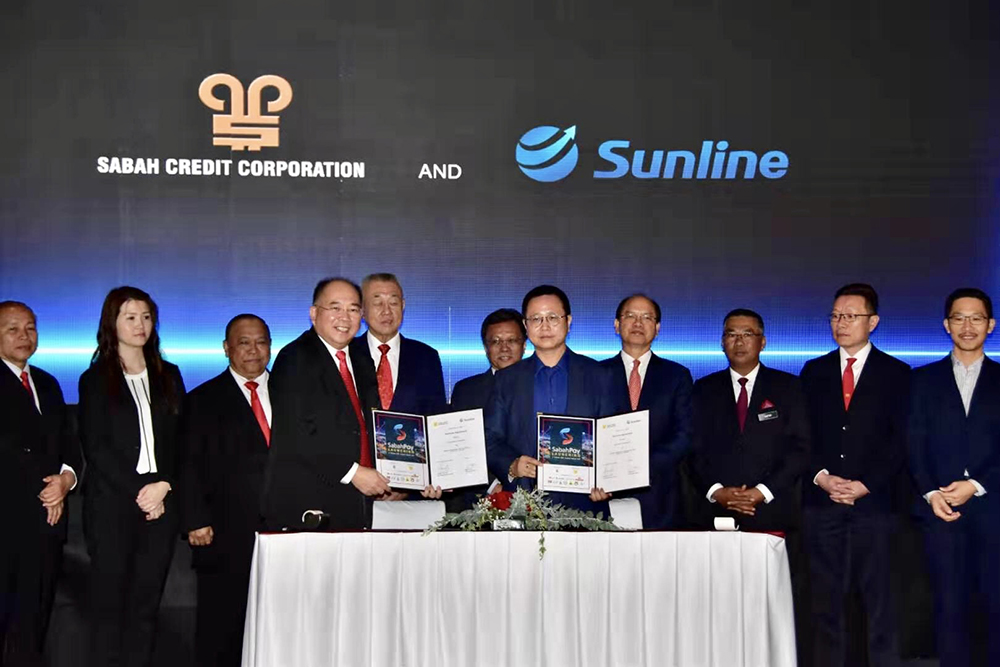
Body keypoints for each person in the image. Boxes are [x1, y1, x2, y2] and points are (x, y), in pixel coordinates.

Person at [260, 278, 439, 531]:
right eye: (335, 308)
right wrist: (354, 472)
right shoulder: (295, 358)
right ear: (314, 313)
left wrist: (413, 476)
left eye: (353, 309)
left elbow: (375, 426)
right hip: (309, 505)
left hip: (354, 505)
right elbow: (297, 433)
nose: (345, 317)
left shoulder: (359, 358)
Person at [689, 308, 811, 664]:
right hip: (716, 516)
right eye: (731, 334)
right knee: (718, 608)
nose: (739, 341)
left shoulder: (789, 387)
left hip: (773, 514)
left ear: (763, 341)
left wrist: (761, 492)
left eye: (747, 334)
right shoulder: (703, 389)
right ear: (721, 342)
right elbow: (692, 452)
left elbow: (801, 449)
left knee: (771, 610)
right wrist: (717, 491)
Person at [800, 284, 909, 667]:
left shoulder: (897, 373)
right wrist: (821, 477)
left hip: (875, 507)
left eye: (850, 316)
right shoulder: (813, 372)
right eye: (835, 316)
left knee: (880, 606)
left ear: (872, 321)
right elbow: (801, 434)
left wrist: (866, 484)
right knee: (825, 607)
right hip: (822, 505)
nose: (840, 323)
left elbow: (901, 440)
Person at [78, 286, 186, 667]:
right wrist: (143, 493)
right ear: (112, 323)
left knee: (146, 607)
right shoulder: (94, 379)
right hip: (113, 505)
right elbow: (96, 448)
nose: (140, 325)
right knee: (109, 608)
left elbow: (182, 440)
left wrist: (164, 486)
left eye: (146, 317)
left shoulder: (169, 375)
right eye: (130, 317)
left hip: (162, 502)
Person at [908, 287, 1000, 667]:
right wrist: (931, 492)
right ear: (946, 325)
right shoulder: (921, 379)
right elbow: (913, 442)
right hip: (940, 510)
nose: (968, 326)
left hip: (993, 509)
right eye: (959, 318)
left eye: (976, 318)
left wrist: (976, 484)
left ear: (991, 325)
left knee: (995, 607)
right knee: (948, 609)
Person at [180, 314, 272, 667]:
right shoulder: (202, 399)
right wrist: (195, 519)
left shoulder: (292, 392)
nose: (253, 350)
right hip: (222, 534)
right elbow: (187, 463)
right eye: (243, 343)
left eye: (261, 342)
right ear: (226, 348)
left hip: (282, 532)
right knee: (222, 629)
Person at [485, 285, 615, 514]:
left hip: (586, 507)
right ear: (526, 325)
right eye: (536, 319)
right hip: (523, 507)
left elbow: (615, 438)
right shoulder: (506, 380)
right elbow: (490, 439)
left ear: (568, 321)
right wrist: (512, 464)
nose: (544, 326)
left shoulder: (600, 375)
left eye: (553, 317)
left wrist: (608, 480)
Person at [0, 301, 81, 667]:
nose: (24, 336)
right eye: (13, 329)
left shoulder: (47, 383)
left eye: (30, 328)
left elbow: (68, 444)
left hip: (46, 526)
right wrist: (44, 487)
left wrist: (65, 480)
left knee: (33, 624)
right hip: (7, 521)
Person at [600, 294, 693, 529]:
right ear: (617, 325)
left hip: (661, 495)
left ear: (657, 328)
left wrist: (640, 467)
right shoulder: (595, 374)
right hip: (604, 495)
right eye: (630, 316)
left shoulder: (677, 376)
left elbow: (684, 435)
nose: (638, 323)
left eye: (646, 317)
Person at [350, 273, 447, 416]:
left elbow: (437, 416)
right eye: (378, 303)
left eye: (394, 303)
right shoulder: (347, 353)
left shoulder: (426, 356)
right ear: (362, 310)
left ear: (403, 306)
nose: (387, 311)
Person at [450, 308, 526, 411]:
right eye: (496, 341)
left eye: (511, 340)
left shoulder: (539, 385)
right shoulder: (465, 390)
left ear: (524, 346)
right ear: (486, 348)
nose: (504, 348)